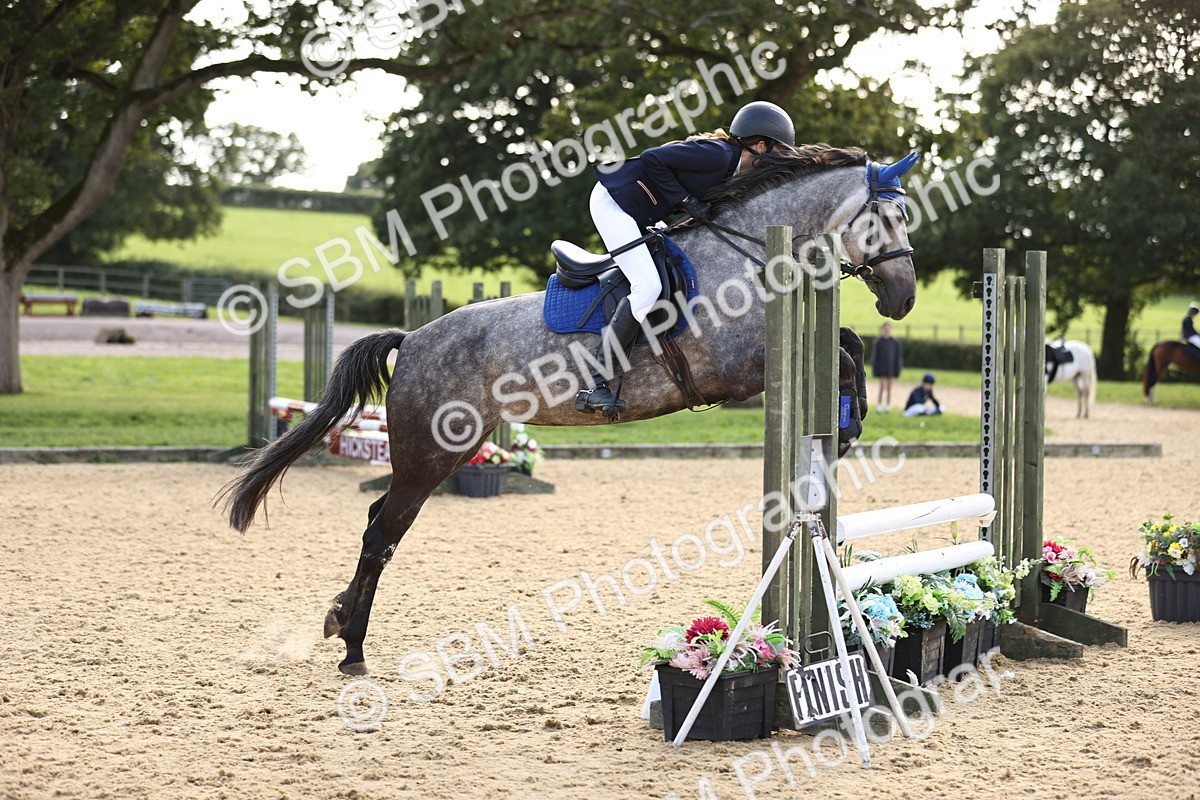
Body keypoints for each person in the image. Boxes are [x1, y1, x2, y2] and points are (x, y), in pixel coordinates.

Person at [575, 100, 796, 416]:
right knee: (647, 287)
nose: (781, 162)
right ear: (761, 145)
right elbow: (653, 159)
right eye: (781, 153)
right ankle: (596, 383)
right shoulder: (718, 154)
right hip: (615, 202)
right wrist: (685, 200)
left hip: (641, 208)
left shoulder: (733, 169)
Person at [870, 322, 903, 412]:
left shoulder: (895, 342)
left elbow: (897, 356)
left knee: (889, 387)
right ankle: (879, 405)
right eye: (886, 328)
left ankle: (888, 405)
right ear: (883, 329)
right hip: (882, 367)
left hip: (891, 367)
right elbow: (875, 356)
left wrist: (897, 368)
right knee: (882, 387)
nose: (887, 330)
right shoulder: (879, 342)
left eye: (889, 328)